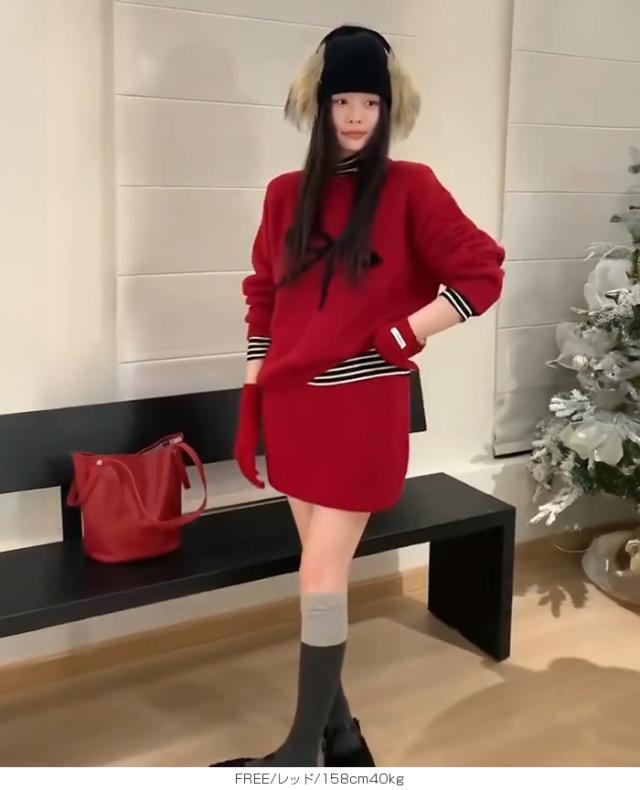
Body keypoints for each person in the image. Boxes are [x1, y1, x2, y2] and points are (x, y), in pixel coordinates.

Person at [210, 25, 505, 768]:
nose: (354, 116)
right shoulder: (284, 196)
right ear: (320, 104)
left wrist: (406, 333)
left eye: (369, 102)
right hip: (293, 410)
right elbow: (264, 298)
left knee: (318, 575)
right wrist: (250, 401)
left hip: (361, 413)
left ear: (388, 107)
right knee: (321, 575)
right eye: (342, 99)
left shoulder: (412, 188)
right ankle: (341, 737)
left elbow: (482, 273)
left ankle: (298, 756)